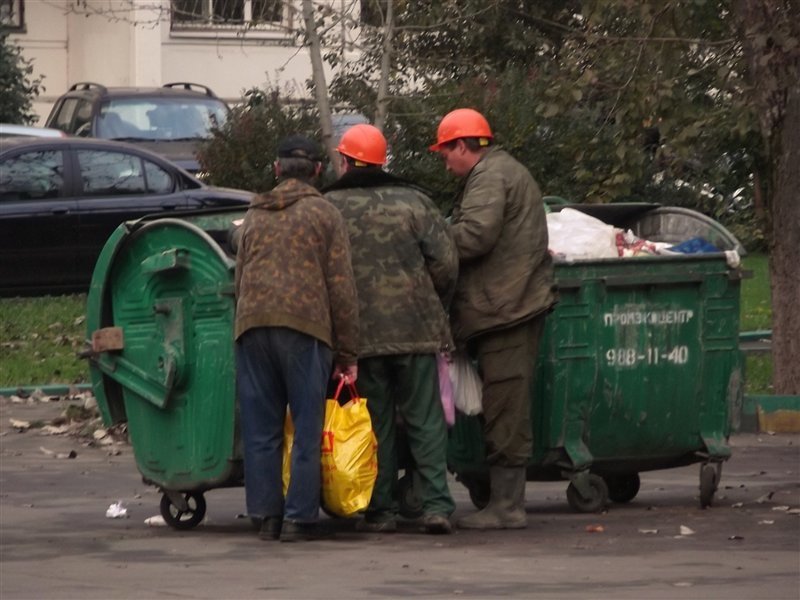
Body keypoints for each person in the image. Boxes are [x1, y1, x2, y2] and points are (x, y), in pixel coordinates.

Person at [323, 123, 458, 535]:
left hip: (359, 336)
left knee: (374, 420)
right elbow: (447, 263)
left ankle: (380, 510)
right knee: (425, 419)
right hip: (416, 328)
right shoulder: (415, 202)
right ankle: (436, 505)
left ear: (345, 161)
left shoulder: (329, 207)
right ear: (383, 161)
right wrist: (435, 304)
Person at [429, 108, 557, 530]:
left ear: (463, 146)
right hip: (506, 306)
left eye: (446, 152)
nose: (445, 162)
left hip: (507, 309)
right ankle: (501, 500)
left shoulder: (490, 176)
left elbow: (476, 235)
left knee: (506, 406)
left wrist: (429, 242)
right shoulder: (500, 171)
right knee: (503, 405)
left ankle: (507, 507)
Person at [233, 134, 359, 542]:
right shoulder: (324, 214)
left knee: (261, 428)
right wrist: (347, 352)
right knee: (307, 425)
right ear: (319, 171)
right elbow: (341, 286)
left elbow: (239, 277)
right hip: (305, 329)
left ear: (276, 169)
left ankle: (265, 515)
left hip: (252, 325)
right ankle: (299, 517)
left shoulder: (254, 214)